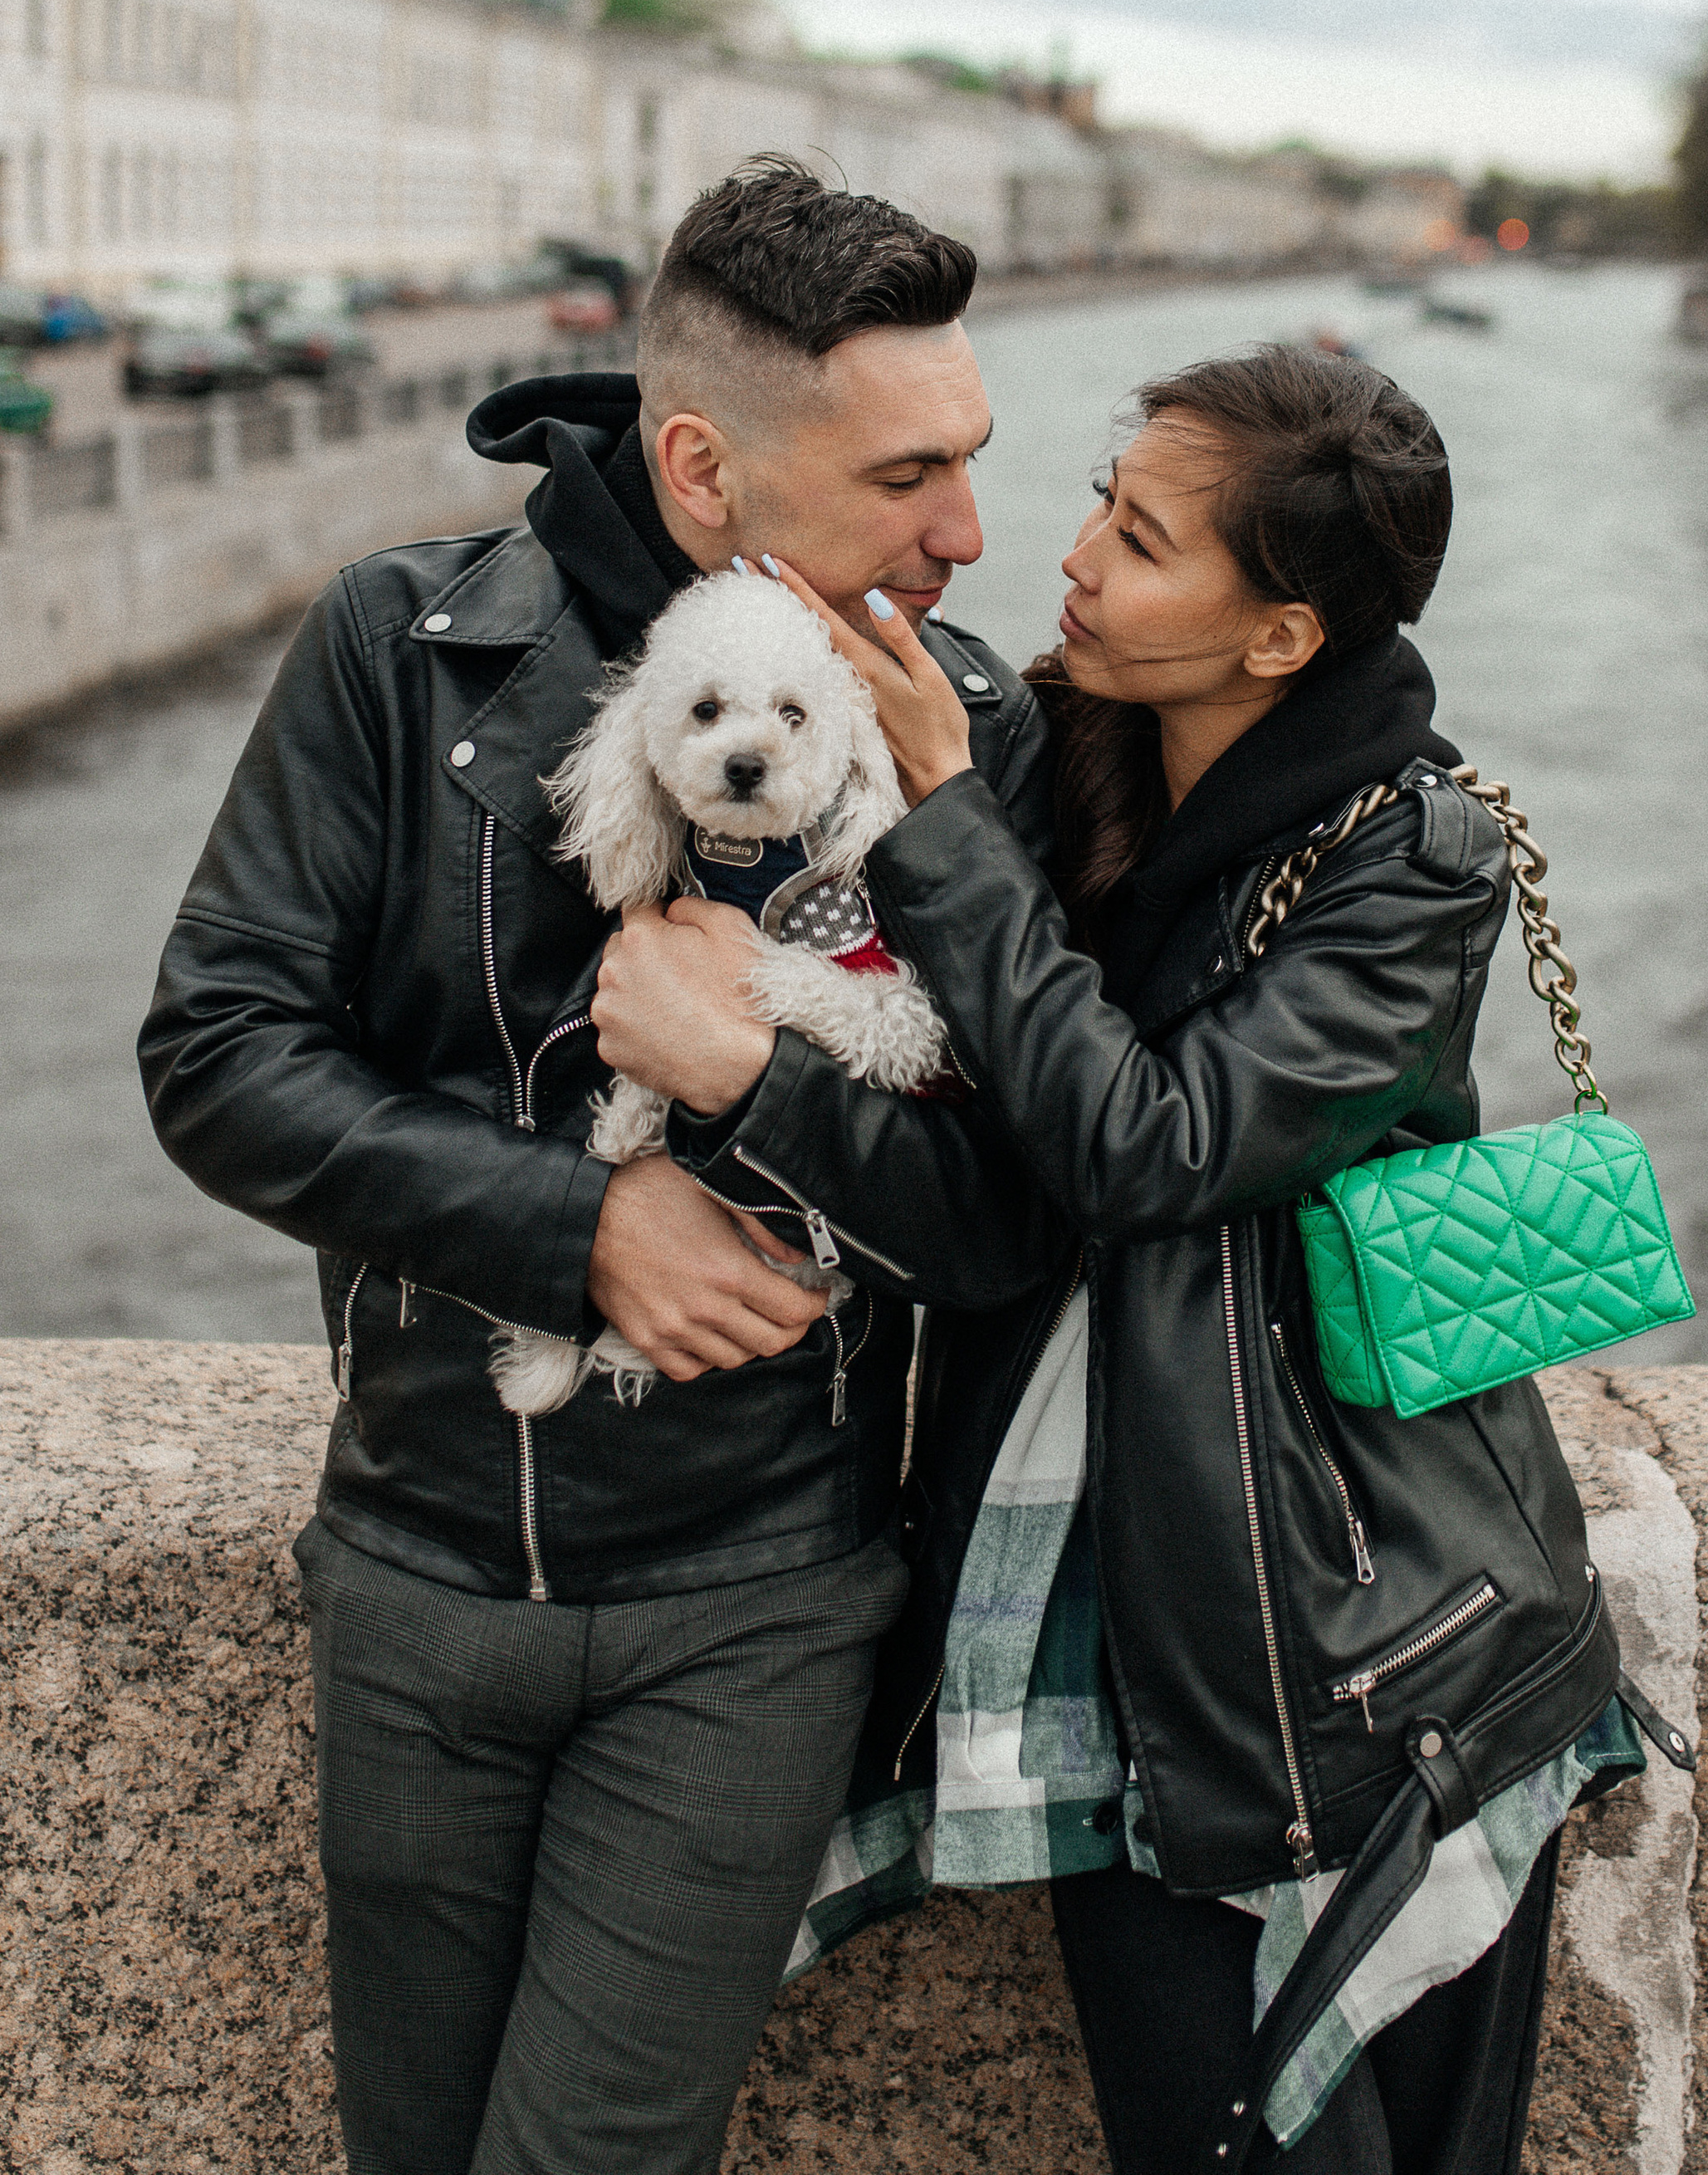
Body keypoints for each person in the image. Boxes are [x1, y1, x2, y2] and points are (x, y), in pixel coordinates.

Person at [596, 345, 1652, 2175]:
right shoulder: (1044, 752)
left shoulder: (1408, 860)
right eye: (1102, 497)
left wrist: (943, 828)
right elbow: (967, 1164)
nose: (1069, 556)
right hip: (1090, 1621)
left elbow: (1145, 1150)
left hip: (1359, 1637)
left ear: (1276, 638)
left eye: (1141, 540)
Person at [138, 157, 1062, 2175]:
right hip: (414, 1570)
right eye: (907, 476)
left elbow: (1019, 1219)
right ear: (706, 470)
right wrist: (584, 1219)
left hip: (756, 1600)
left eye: (971, 463)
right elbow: (215, 1057)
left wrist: (750, 1082)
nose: (967, 535)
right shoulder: (405, 646)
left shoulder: (964, 726)